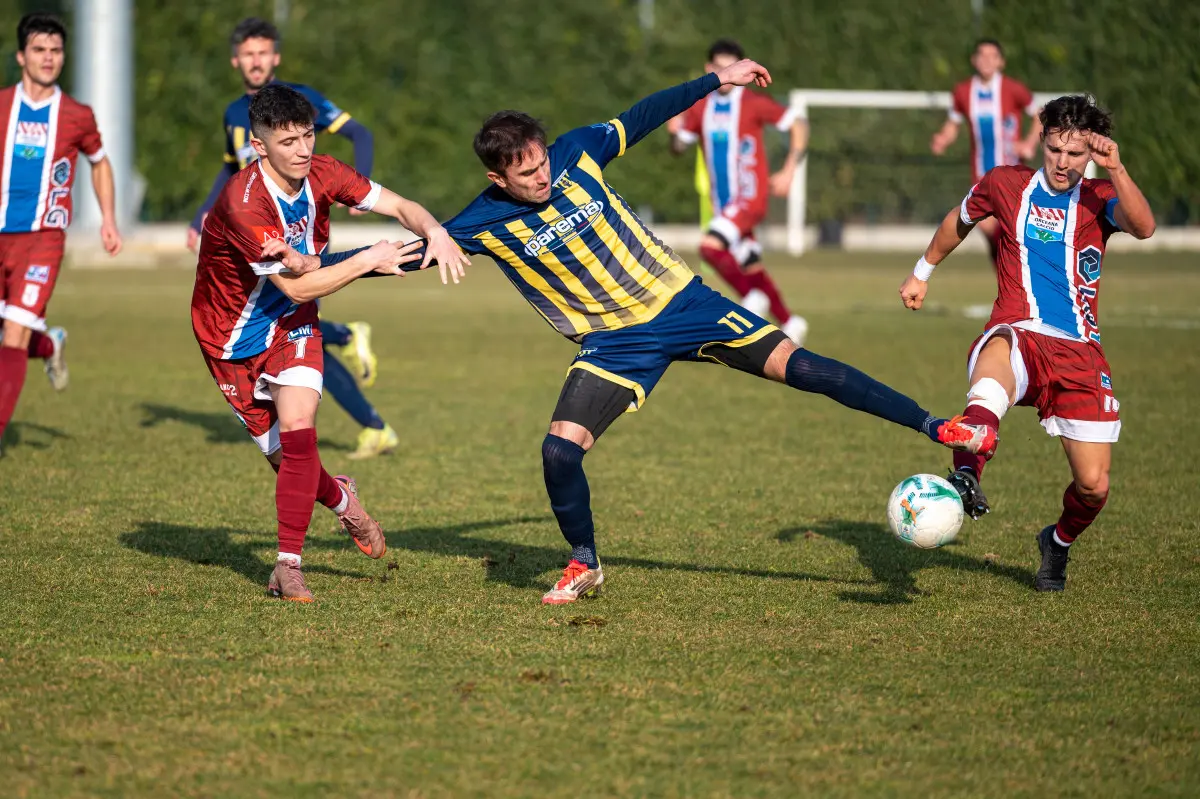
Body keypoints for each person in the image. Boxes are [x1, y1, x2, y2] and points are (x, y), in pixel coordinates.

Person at [438, 59, 996, 605]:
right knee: (559, 453)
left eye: (541, 162)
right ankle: (585, 560)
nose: (542, 176)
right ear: (497, 178)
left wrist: (715, 81)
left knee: (801, 367)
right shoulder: (477, 222)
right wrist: (359, 239)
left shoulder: (578, 151)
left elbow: (644, 114)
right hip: (615, 343)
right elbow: (393, 254)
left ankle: (936, 427)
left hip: (685, 304)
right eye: (526, 173)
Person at [190, 84, 468, 602]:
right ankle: (343, 501)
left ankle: (287, 567)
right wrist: (367, 259)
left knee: (299, 434)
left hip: (293, 321)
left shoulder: (323, 172)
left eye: (308, 135)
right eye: (288, 141)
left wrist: (436, 230)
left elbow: (400, 205)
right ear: (259, 146)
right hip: (228, 337)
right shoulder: (242, 203)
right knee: (290, 464)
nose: (302, 149)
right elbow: (293, 282)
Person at [900, 94, 1155, 591]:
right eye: (1055, 149)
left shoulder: (1099, 197)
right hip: (1018, 331)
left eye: (1075, 154)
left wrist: (1117, 167)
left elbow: (1144, 227)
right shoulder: (1005, 183)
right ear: (1042, 140)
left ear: (1090, 155)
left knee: (1093, 485)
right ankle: (967, 470)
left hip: (1079, 352)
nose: (1063, 163)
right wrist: (921, 271)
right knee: (995, 365)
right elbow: (960, 218)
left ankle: (1056, 542)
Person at [189, 17, 398, 460]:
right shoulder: (234, 115)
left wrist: (360, 191)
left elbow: (360, 132)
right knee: (298, 329)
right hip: (256, 230)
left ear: (275, 57)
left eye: (263, 52)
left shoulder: (301, 102)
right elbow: (233, 172)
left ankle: (368, 414)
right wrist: (202, 217)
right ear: (236, 61)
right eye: (248, 53)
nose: (256, 61)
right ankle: (351, 357)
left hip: (300, 235)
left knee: (299, 325)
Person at [0, 13, 122, 455]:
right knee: (11, 331)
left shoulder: (76, 114)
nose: (48, 58)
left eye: (55, 51)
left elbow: (101, 160)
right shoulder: (1, 106)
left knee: (13, 335)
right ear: (21, 56)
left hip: (42, 240)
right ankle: (51, 343)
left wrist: (108, 218)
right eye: (39, 50)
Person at [668, 39, 809, 346]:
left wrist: (789, 170)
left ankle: (750, 298)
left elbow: (799, 124)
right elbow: (679, 147)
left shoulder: (752, 102)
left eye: (732, 67)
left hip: (749, 198)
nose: (726, 74)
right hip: (724, 204)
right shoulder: (701, 107)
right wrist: (674, 130)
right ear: (709, 69)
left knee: (709, 247)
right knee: (751, 266)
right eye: (720, 68)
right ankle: (789, 321)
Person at [930, 39, 1042, 270]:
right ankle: (1008, 278)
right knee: (988, 228)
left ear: (1001, 62)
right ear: (974, 60)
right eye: (982, 55)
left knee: (1013, 230)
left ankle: (1021, 276)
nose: (987, 60)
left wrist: (1029, 143)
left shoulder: (1013, 89)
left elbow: (1039, 115)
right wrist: (943, 138)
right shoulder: (963, 92)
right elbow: (954, 123)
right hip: (982, 173)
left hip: (1013, 173)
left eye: (993, 56)